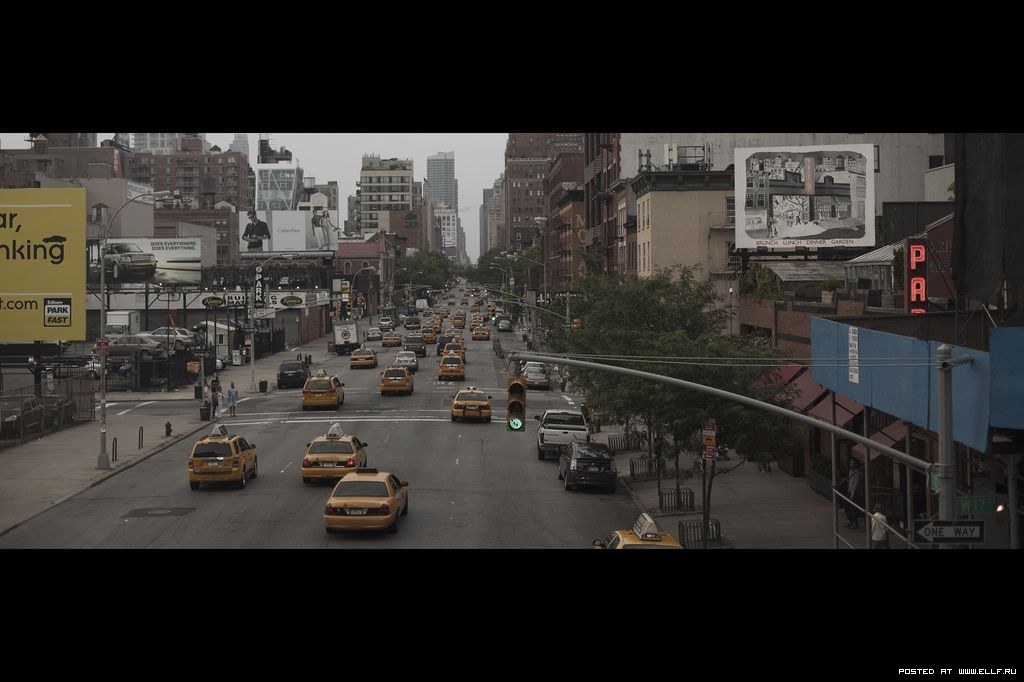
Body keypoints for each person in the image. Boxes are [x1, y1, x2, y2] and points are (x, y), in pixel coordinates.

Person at [845, 463, 864, 529]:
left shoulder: (857, 473)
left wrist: (852, 494)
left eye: (853, 463)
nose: (851, 465)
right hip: (849, 490)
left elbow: (856, 484)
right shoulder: (850, 471)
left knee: (853, 508)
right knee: (847, 507)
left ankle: (855, 523)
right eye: (850, 463)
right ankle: (850, 521)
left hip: (854, 492)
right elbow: (850, 481)